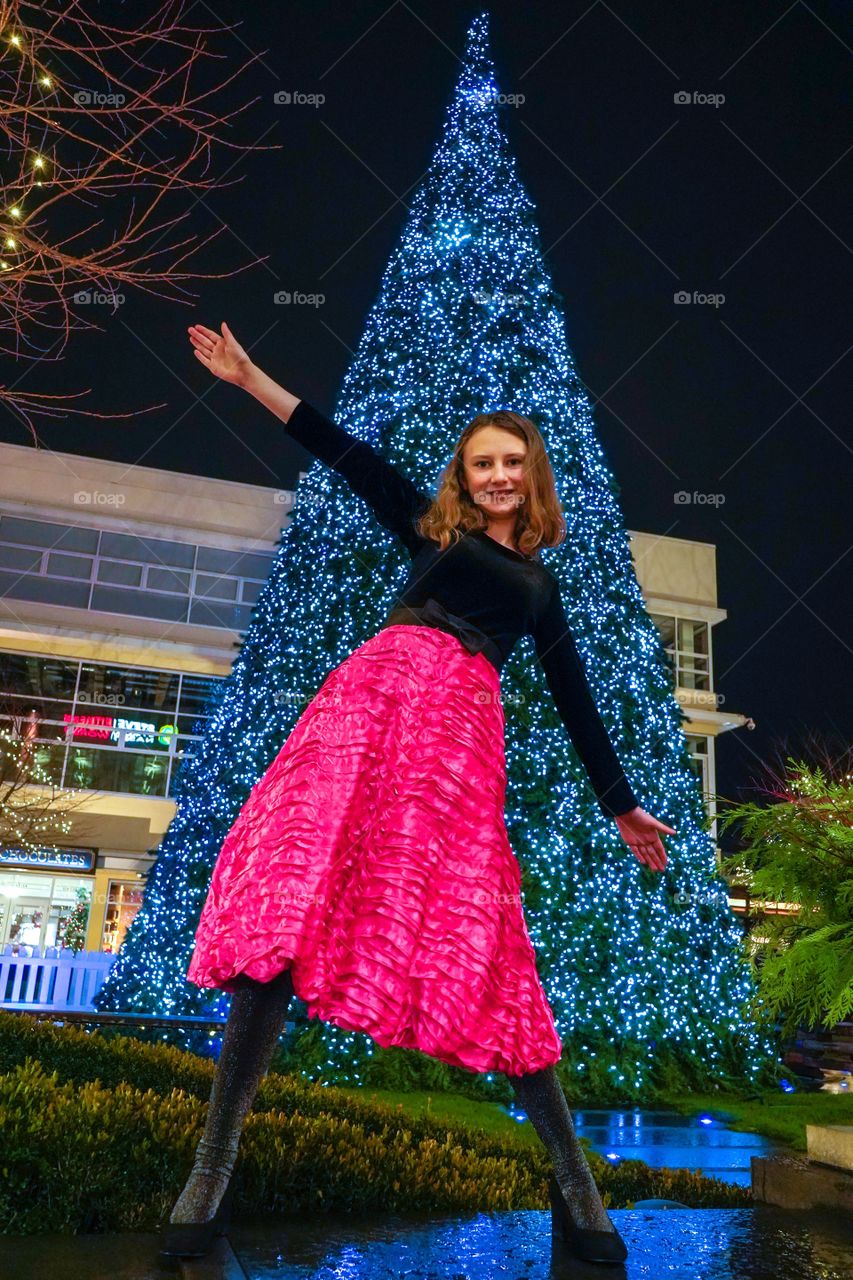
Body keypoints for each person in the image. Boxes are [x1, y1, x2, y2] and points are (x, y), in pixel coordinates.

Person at [159, 321, 676, 1265]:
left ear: (532, 473)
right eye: (480, 462)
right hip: (364, 710)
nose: (495, 476)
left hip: (455, 745)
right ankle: (212, 1167)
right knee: (289, 902)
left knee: (490, 942)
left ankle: (573, 1184)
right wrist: (247, 379)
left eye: (510, 461)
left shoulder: (538, 587)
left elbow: (576, 699)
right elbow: (339, 447)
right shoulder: (429, 528)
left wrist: (620, 803)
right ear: (463, 474)